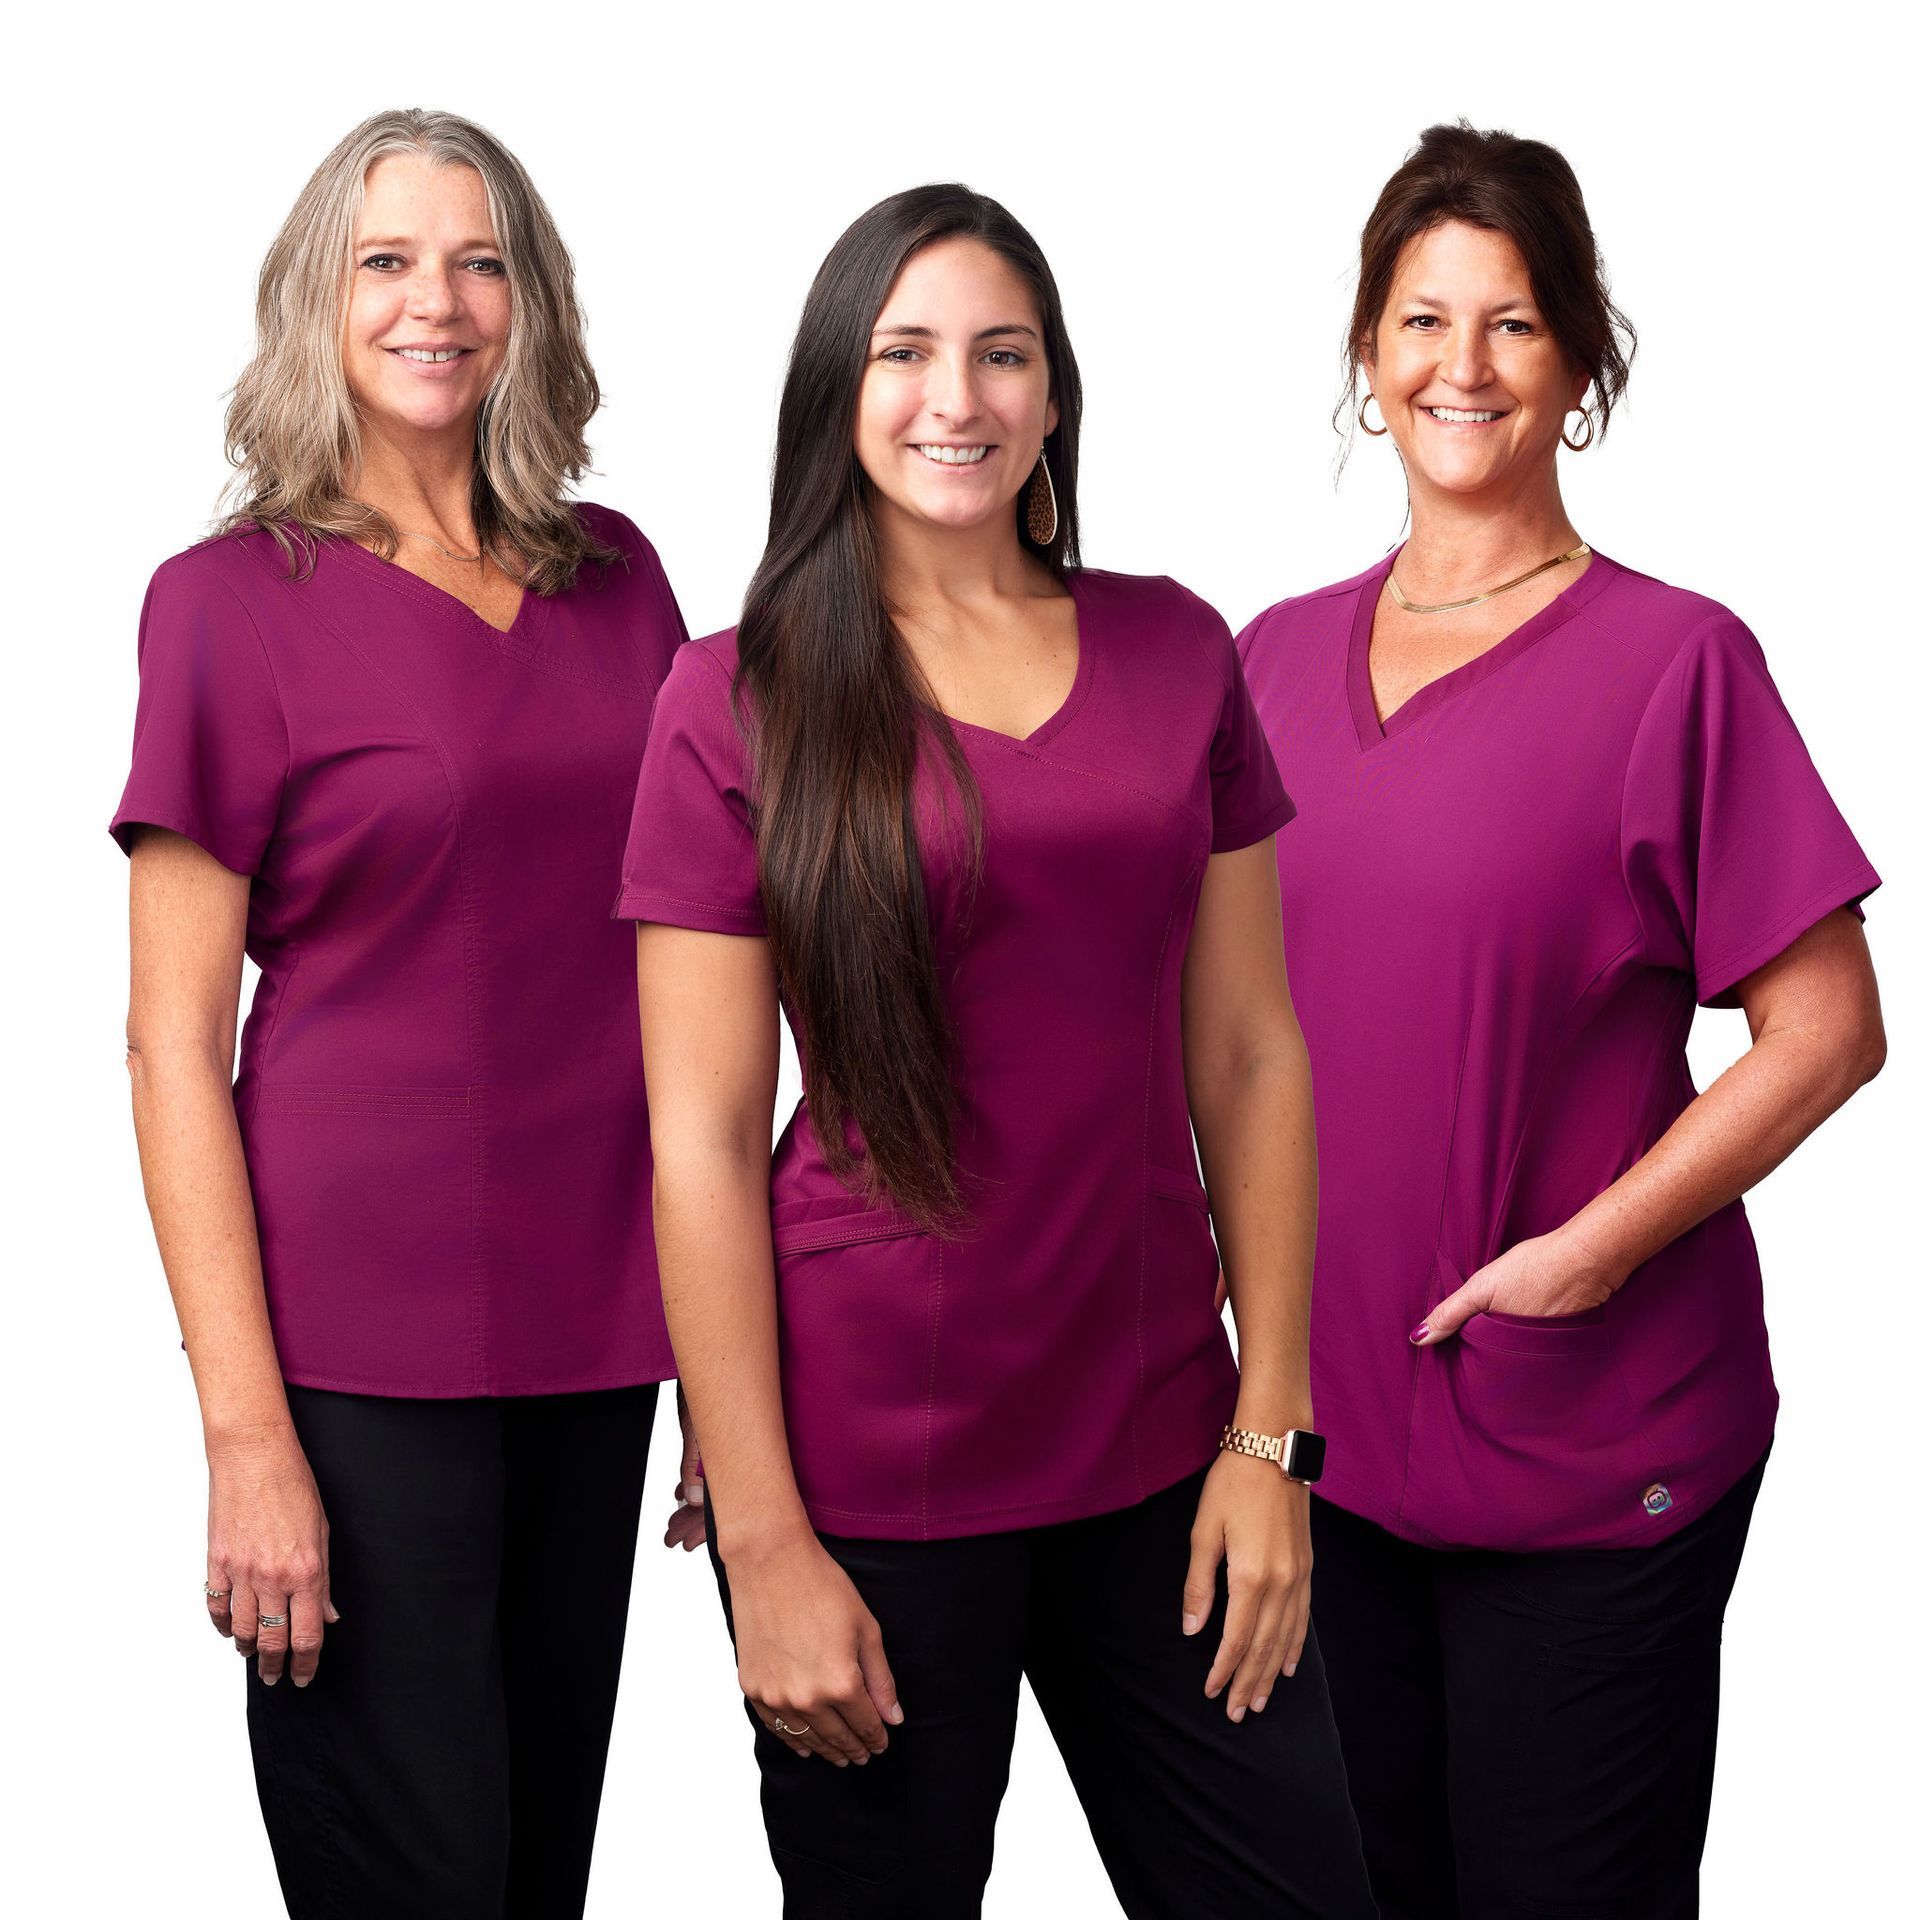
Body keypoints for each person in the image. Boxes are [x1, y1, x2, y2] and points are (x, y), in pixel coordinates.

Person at [621, 185, 1376, 1918]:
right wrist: (764, 1541)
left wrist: (1275, 1438)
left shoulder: (1177, 647)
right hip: (873, 1475)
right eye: (905, 352)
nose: (953, 396)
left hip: (1162, 1448)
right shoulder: (729, 698)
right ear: (839, 389)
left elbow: (1252, 1055)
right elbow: (704, 1144)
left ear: (1051, 398)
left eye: (999, 354)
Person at [1236, 122, 1886, 1919]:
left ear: (1580, 363)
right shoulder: (1267, 662)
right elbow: (1188, 1031)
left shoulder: (1677, 663)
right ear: (1368, 354)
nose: (1463, 367)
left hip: (1592, 1449)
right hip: (1320, 1451)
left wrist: (1588, 1257)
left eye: (1513, 324)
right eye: (1422, 320)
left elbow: (1829, 1027)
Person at [113, 108, 689, 1917]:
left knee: (537, 1880)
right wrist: (246, 1436)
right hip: (357, 1371)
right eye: (385, 261)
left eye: (478, 259)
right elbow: (168, 1048)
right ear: (316, 301)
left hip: (602, 1342)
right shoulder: (227, 607)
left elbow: (711, 970)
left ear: (531, 304)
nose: (433, 300)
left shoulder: (623, 582)